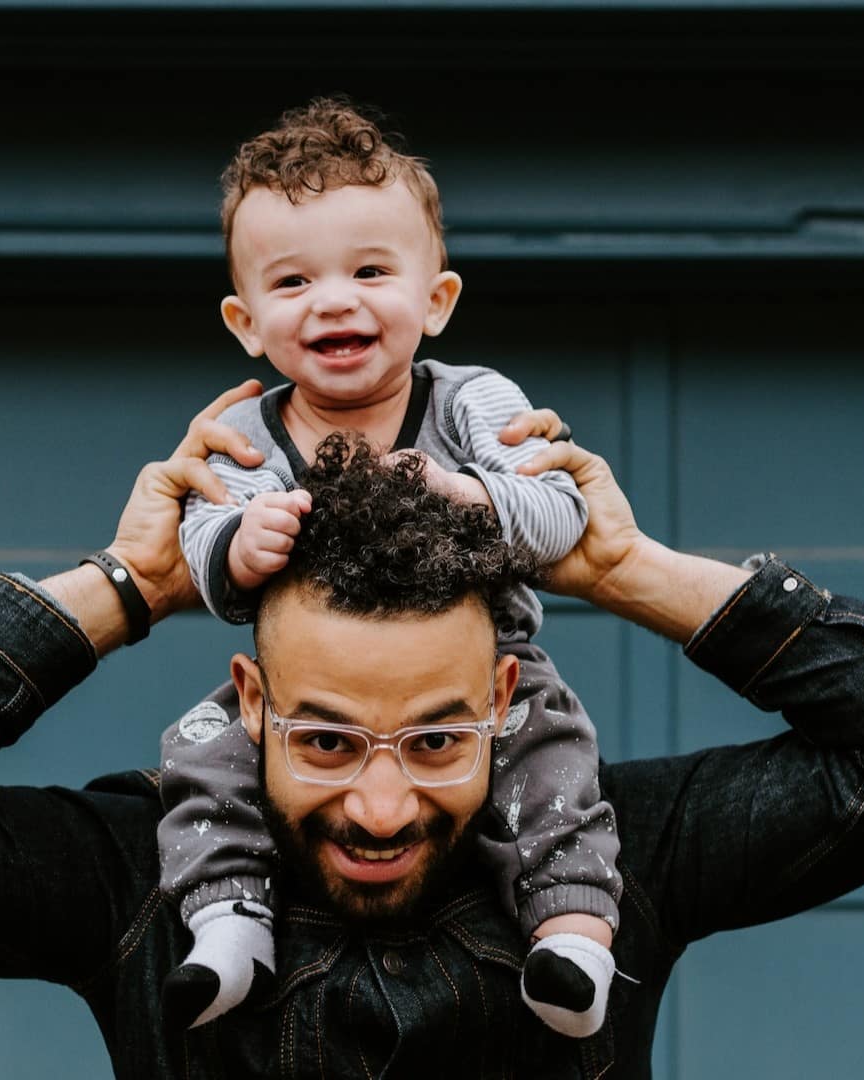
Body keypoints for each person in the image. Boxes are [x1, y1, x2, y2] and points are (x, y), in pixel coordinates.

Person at [0, 382, 864, 1079]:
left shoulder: (622, 856)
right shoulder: (140, 877)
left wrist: (626, 570)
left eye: (440, 742)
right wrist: (128, 591)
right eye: (330, 743)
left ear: (507, 705)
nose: (384, 808)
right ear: (250, 706)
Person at [163, 96, 619, 1036]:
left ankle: (571, 936)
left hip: (491, 664)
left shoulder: (470, 403)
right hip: (306, 688)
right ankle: (227, 923)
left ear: (436, 300)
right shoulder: (244, 432)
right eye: (293, 284)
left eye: (371, 271)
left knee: (554, 756)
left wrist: (471, 496)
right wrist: (236, 546)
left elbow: (558, 512)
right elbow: (203, 550)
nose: (334, 299)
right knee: (202, 754)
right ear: (247, 323)